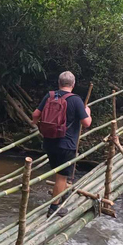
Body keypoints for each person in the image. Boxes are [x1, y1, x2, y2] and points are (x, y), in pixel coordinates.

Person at [31, 71, 92, 217]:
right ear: (73, 84)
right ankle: (54, 207)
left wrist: (38, 125)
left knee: (58, 173)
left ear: (59, 83)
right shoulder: (76, 100)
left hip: (49, 142)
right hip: (67, 144)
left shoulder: (50, 96)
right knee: (61, 177)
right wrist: (87, 111)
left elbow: (35, 115)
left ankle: (62, 194)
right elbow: (87, 123)